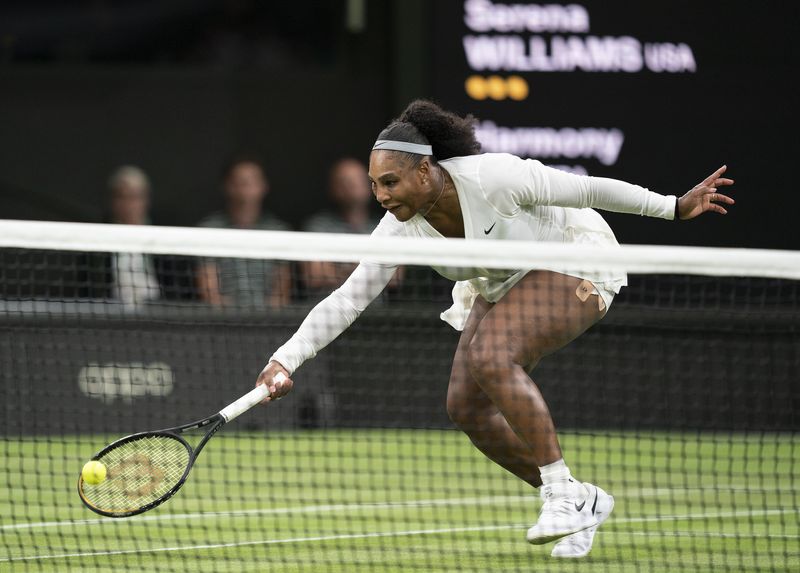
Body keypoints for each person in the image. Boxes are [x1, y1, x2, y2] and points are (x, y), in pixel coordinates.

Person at [254, 100, 735, 558]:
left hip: (575, 259)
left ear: (425, 170)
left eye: (391, 182)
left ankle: (559, 494)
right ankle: (580, 498)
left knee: (489, 355)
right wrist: (285, 358)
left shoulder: (494, 179)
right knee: (465, 406)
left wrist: (672, 206)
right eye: (375, 184)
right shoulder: (398, 225)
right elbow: (348, 299)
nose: (381, 195)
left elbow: (588, 191)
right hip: (505, 280)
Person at [197, 155, 292, 309]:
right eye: (239, 182)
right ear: (227, 186)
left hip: (268, 321)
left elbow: (281, 294)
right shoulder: (209, 229)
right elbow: (209, 293)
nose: (245, 188)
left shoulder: (279, 231)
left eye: (251, 181)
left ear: (264, 186)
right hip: (223, 320)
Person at [300, 158, 381, 299]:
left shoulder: (384, 227)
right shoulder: (318, 226)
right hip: (328, 312)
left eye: (358, 180)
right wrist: (370, 267)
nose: (352, 185)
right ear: (333, 189)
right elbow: (314, 276)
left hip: (373, 315)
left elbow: (394, 277)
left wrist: (337, 270)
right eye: (344, 181)